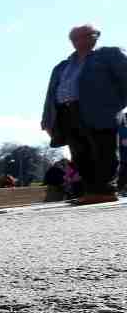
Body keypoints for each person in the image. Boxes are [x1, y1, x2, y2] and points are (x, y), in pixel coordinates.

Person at [42, 24, 127, 205]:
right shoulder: (62, 66)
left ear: (96, 36)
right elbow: (51, 94)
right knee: (79, 153)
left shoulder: (109, 55)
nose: (78, 41)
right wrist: (47, 120)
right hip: (67, 113)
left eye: (84, 36)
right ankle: (91, 191)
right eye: (74, 38)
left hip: (100, 111)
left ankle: (106, 190)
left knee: (104, 151)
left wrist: (116, 105)